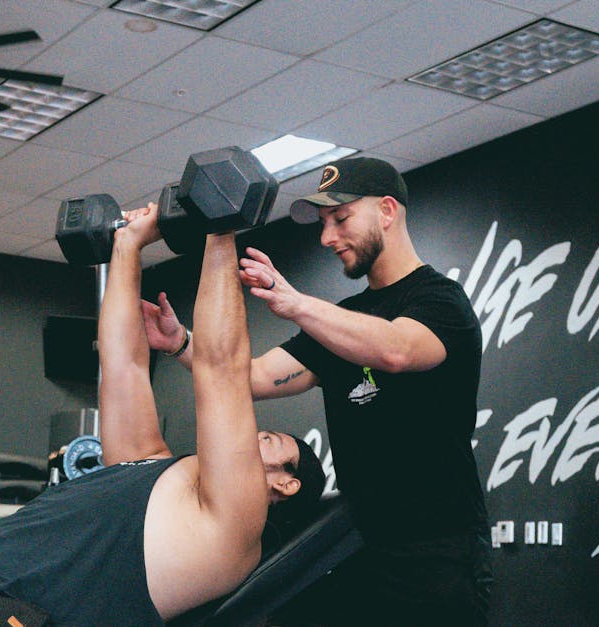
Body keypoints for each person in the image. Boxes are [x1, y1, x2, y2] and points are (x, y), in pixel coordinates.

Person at [0, 204, 325, 627]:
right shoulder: (151, 466)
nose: (253, 432)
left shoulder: (232, 529)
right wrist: (127, 246)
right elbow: (121, 367)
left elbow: (222, 369)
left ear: (288, 485)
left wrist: (220, 231)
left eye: (273, 438)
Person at [142, 157, 492, 625]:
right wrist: (180, 343)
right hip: (359, 543)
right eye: (325, 223)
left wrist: (297, 304)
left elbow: (398, 350)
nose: (327, 237)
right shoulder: (341, 319)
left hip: (439, 551)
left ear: (387, 211)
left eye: (341, 219)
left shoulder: (438, 300)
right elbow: (252, 378)